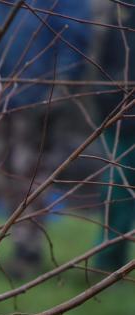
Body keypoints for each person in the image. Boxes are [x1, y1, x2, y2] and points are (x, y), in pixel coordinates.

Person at [0, 0, 92, 277]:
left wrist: (61, 84)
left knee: (32, 173)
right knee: (2, 172)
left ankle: (29, 246)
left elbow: (76, 34)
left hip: (39, 94)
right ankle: (17, 239)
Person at [92, 2, 135, 271]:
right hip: (120, 117)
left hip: (117, 112)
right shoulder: (121, 9)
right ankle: (108, 266)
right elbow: (104, 56)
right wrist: (107, 100)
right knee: (117, 190)